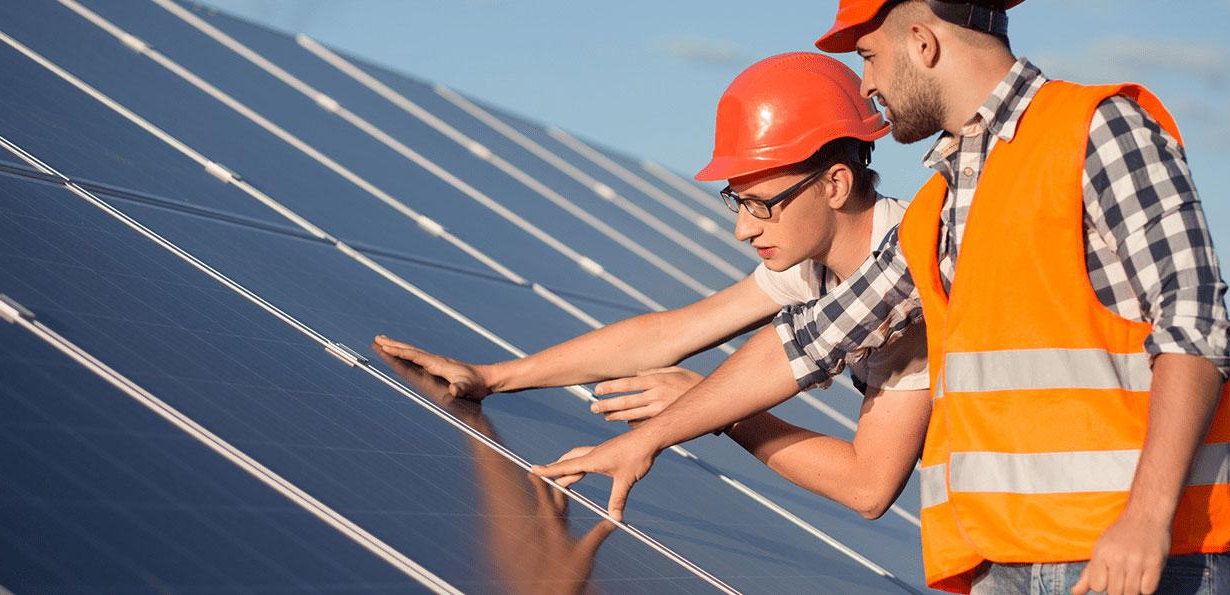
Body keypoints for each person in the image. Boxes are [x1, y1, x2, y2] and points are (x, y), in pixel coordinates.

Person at [533, 2, 1230, 595]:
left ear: (921, 41)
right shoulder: (939, 211)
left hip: (1145, 556)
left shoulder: (1097, 131)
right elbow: (805, 345)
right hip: (1007, 562)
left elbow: (1194, 326)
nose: (865, 87)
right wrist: (647, 436)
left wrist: (1143, 519)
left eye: (868, 57)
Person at [378, 52, 933, 521]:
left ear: (835, 183)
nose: (743, 228)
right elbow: (673, 332)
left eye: (762, 204)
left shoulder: (913, 288)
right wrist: (494, 377)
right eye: (737, 203)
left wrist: (721, 411)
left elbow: (868, 486)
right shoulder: (812, 263)